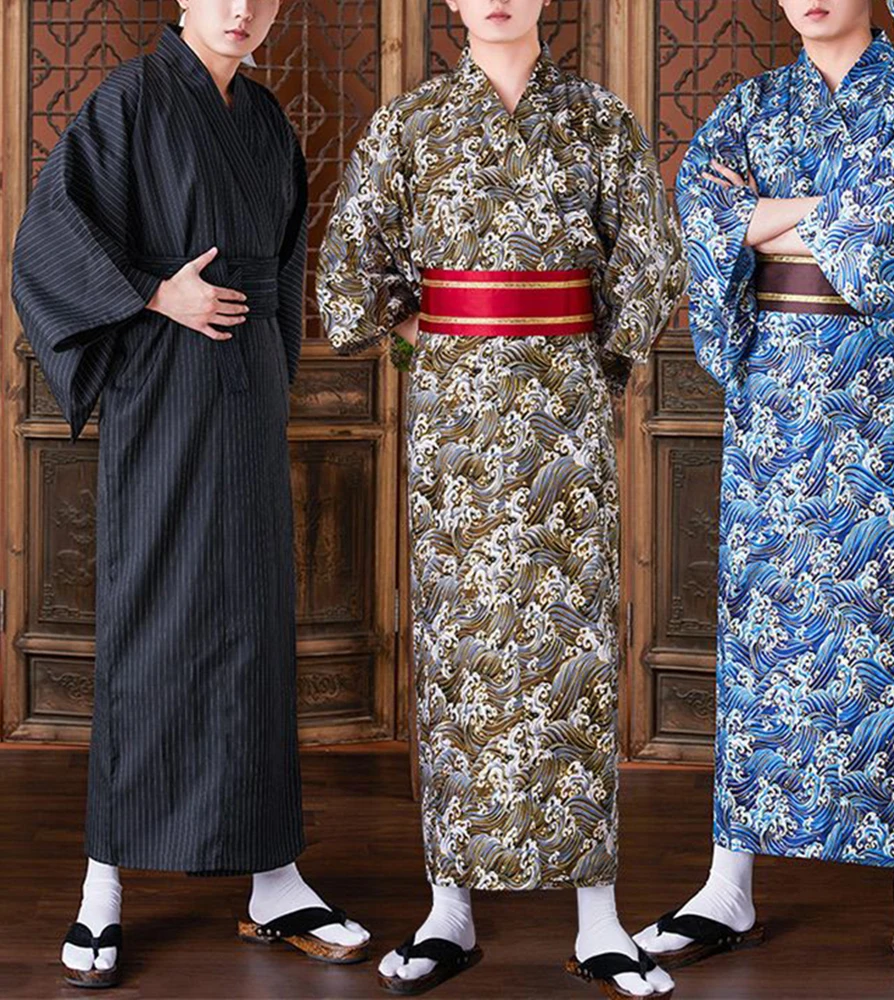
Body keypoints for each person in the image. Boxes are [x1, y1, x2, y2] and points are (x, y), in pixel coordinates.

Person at [317, 0, 685, 995]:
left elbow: (650, 262)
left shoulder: (598, 116)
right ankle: (449, 906)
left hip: (566, 419)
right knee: (457, 652)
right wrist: (425, 342)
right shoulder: (411, 122)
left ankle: (599, 915)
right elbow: (348, 274)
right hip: (455, 433)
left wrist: (594, 369)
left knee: (577, 652)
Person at [631, 1, 894, 996]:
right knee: (761, 631)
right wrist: (805, 209)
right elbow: (699, 209)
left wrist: (767, 211)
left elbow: (882, 218)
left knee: (883, 636)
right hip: (772, 396)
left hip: (873, 387)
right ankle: (728, 885)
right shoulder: (754, 103)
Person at [12, 0, 370, 987]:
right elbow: (46, 241)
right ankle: (102, 886)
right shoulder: (131, 98)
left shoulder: (266, 120)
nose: (241, 9)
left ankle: (274, 875)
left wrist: (270, 372)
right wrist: (153, 290)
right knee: (152, 618)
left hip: (245, 390)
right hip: (162, 386)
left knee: (253, 623)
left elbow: (285, 260)